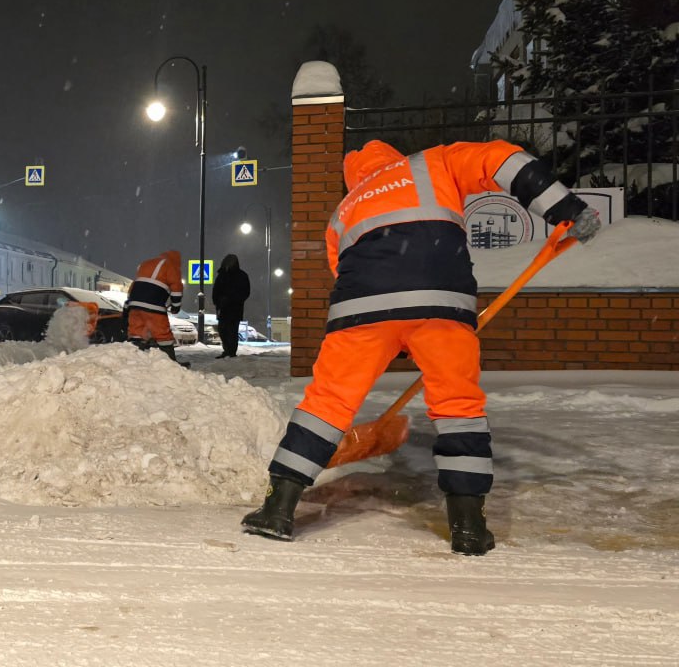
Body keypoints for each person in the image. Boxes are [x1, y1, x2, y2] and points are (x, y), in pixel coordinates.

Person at [241, 139, 601, 555]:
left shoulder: (344, 209)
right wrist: (564, 208)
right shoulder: (434, 163)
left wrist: (391, 336)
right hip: (439, 301)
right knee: (458, 407)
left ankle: (277, 511)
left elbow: (342, 269)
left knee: (327, 402)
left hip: (361, 310)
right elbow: (503, 159)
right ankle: (468, 527)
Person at [123, 249, 186, 363]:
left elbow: (135, 285)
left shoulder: (146, 264)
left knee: (136, 333)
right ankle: (171, 363)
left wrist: (128, 304)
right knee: (163, 336)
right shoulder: (171, 266)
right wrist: (176, 306)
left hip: (135, 305)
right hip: (154, 306)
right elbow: (176, 289)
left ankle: (133, 361)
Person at [212, 254, 251, 358]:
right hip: (223, 308)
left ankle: (231, 351)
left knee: (232, 331)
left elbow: (245, 292)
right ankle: (227, 350)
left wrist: (232, 299)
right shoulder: (222, 275)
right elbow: (216, 290)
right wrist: (217, 301)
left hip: (234, 309)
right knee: (222, 330)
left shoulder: (241, 276)